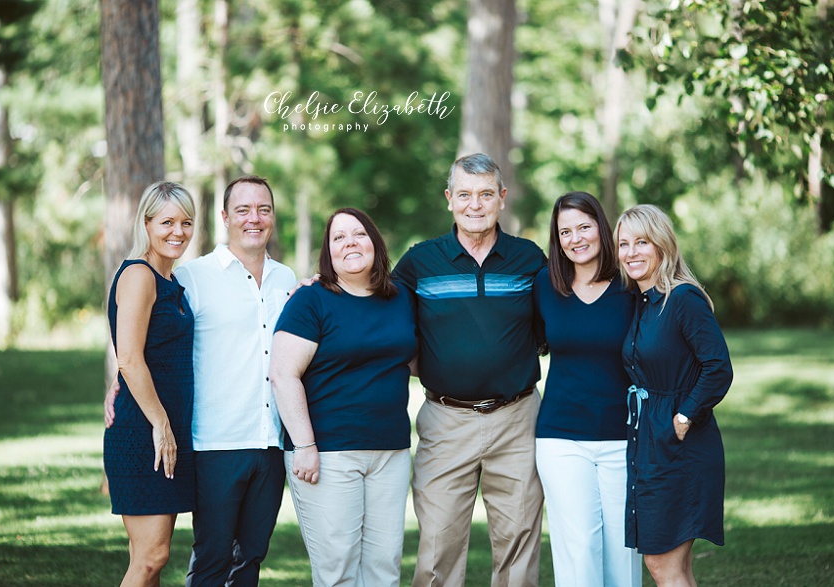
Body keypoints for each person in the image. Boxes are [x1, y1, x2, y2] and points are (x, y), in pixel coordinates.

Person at [107, 175, 298, 586]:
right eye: (243, 210)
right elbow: (132, 349)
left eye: (263, 209)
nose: (254, 218)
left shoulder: (286, 281)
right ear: (226, 217)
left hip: (258, 439)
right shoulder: (183, 278)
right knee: (173, 557)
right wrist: (125, 382)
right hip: (188, 438)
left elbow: (150, 344)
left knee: (227, 558)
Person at [393, 152, 546, 587]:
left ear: (501, 198)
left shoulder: (529, 259)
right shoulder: (419, 262)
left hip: (517, 419)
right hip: (445, 420)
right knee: (438, 545)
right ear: (449, 199)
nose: (474, 205)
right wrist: (317, 284)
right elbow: (375, 311)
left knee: (518, 542)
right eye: (464, 195)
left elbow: (558, 320)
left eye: (484, 195)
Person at [270, 208, 416, 587]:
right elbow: (283, 375)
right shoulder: (310, 300)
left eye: (359, 234)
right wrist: (304, 444)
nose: (350, 242)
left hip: (391, 452)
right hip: (329, 453)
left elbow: (413, 359)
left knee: (385, 568)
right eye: (339, 237)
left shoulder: (399, 297)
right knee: (338, 570)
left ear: (375, 243)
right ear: (328, 253)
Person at [615, 204, 733, 587]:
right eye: (623, 244)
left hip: (680, 445)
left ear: (662, 245)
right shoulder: (642, 301)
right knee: (672, 568)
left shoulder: (682, 299)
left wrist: (684, 417)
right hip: (649, 442)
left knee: (662, 565)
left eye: (641, 242)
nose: (631, 252)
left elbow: (719, 367)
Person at [533, 192, 642, 586]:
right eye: (565, 231)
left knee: (623, 549)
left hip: (622, 435)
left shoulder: (631, 284)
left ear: (601, 227)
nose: (575, 238)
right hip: (561, 437)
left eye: (584, 226)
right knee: (577, 547)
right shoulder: (545, 284)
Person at [104, 181, 196, 587]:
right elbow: (129, 357)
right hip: (145, 430)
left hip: (165, 427)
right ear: (146, 223)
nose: (178, 231)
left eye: (186, 222)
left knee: (147, 557)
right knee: (152, 556)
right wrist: (161, 424)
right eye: (167, 222)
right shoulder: (140, 275)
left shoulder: (171, 280)